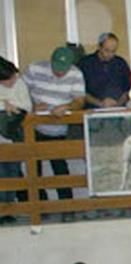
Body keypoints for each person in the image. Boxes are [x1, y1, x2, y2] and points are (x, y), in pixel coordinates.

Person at [22, 46, 85, 206]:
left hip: (58, 128)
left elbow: (79, 100)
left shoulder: (76, 74)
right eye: (57, 68)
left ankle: (67, 206)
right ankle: (40, 206)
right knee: (34, 168)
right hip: (34, 127)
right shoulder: (35, 69)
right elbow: (19, 91)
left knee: (60, 168)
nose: (59, 73)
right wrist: (31, 107)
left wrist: (67, 107)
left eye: (63, 70)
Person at [0, 57, 31, 222]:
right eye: (7, 81)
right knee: (1, 173)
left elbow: (27, 105)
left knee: (12, 171)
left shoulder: (19, 83)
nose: (12, 82)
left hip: (14, 133)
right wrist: (4, 105)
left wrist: (10, 105)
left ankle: (9, 209)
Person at [77, 32, 130, 108]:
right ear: (99, 47)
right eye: (107, 50)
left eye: (113, 51)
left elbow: (127, 90)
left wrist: (118, 104)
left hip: (117, 110)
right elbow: (79, 91)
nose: (110, 54)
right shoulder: (85, 64)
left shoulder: (121, 64)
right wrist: (100, 103)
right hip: (92, 111)